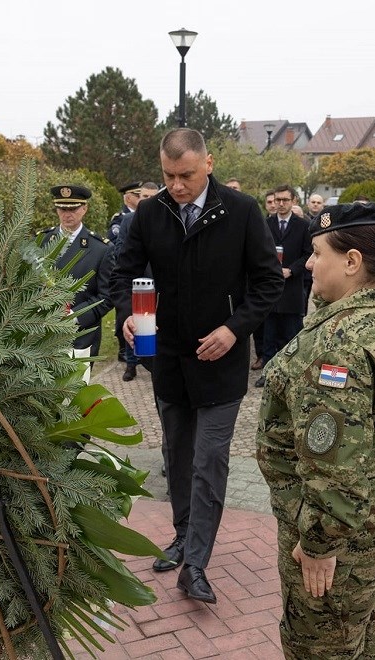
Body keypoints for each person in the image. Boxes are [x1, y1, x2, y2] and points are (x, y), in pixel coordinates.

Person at [112, 128, 283, 604]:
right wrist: (128, 314)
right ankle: (183, 535)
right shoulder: (150, 211)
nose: (177, 186)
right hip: (167, 359)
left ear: (207, 163)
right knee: (178, 455)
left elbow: (268, 283)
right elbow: (123, 272)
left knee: (210, 460)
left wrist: (234, 329)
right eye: (168, 176)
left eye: (186, 175)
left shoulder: (242, 210)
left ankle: (198, 563)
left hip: (220, 363)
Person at [256, 203, 375, 658]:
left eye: (316, 253)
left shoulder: (339, 347)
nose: (307, 263)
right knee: (363, 628)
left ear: (351, 262)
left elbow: (336, 468)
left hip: (340, 530)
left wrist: (318, 544)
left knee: (321, 646)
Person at [39, 185, 113, 356]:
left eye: (73, 208)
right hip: (41, 335)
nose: (67, 214)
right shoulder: (41, 241)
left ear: (84, 208)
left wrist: (74, 316)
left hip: (81, 336)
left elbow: (106, 297)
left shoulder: (100, 249)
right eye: (62, 208)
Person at [256, 185, 311, 388]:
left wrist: (292, 270)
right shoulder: (265, 224)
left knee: (292, 334)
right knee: (269, 334)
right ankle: (268, 373)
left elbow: (308, 254)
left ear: (293, 200)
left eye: (285, 200)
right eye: (277, 200)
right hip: (270, 288)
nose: (280, 204)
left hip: (293, 288)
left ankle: (292, 375)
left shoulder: (303, 225)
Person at [113, 182, 159, 381]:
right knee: (134, 325)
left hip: (157, 285)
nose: (147, 200)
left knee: (152, 327)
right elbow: (120, 251)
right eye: (144, 196)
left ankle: (154, 361)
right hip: (136, 284)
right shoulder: (129, 220)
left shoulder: (163, 219)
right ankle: (131, 365)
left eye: (152, 197)